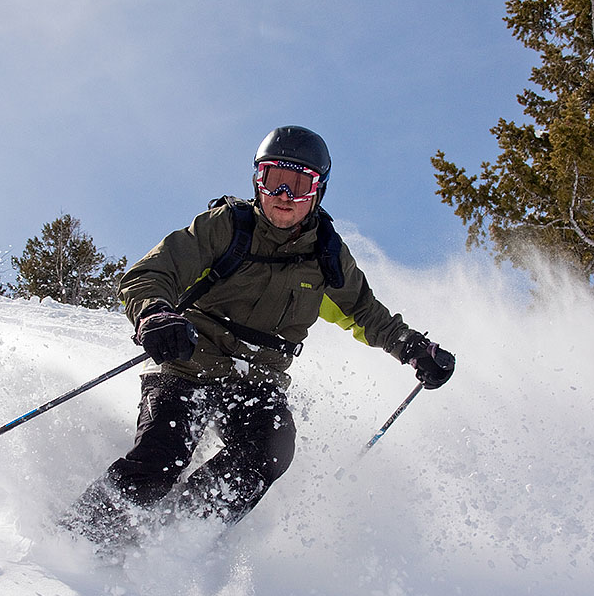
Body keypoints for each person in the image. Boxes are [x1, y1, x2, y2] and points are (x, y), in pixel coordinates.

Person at [62, 125, 455, 551]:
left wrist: (413, 348)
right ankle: (81, 540)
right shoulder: (227, 228)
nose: (284, 194)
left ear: (318, 190)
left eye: (300, 183)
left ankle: (174, 541)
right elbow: (151, 274)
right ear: (257, 181)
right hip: (188, 364)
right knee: (162, 457)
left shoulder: (326, 257)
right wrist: (156, 314)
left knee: (270, 449)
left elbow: (364, 312)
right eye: (273, 179)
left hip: (257, 382)